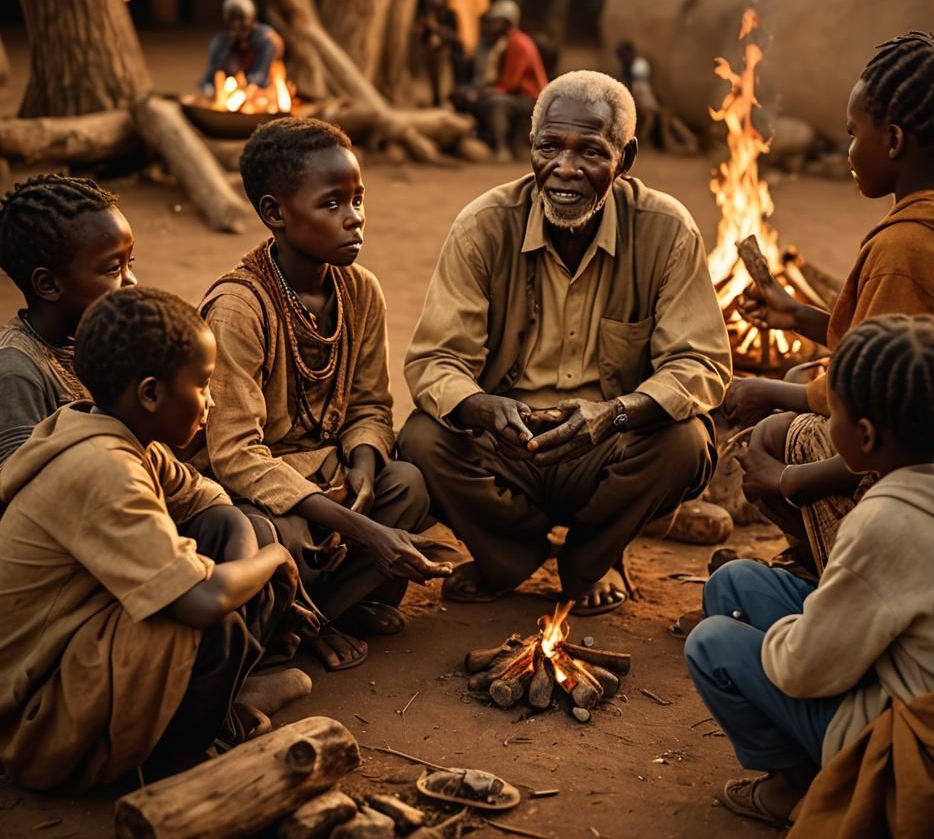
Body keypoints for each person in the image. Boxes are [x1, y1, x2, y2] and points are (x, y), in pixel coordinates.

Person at [400, 70, 731, 615]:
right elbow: (435, 360)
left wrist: (616, 414)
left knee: (686, 444)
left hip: (608, 441)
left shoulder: (666, 229)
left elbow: (700, 363)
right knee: (421, 440)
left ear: (626, 157)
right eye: (549, 147)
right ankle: (511, 555)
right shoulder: (483, 225)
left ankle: (591, 559)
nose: (565, 170)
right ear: (531, 147)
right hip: (508, 443)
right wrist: (483, 406)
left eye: (592, 153)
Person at [685, 314, 934, 829]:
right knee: (734, 583)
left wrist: (786, 633)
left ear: (864, 436)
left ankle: (797, 788)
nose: (824, 421)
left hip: (925, 755)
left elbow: (804, 667)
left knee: (712, 642)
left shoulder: (884, 521)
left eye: (831, 410)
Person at [726, 31, 934, 574]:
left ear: (891, 141)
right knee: (798, 380)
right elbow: (886, 347)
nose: (847, 150)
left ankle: (840, 570)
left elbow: (883, 396)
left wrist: (776, 452)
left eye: (852, 133)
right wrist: (796, 316)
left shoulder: (906, 249)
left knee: (768, 434)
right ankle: (817, 551)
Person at [0, 288, 305, 792]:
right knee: (219, 617)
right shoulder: (104, 467)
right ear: (150, 394)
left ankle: (219, 706)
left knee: (232, 536)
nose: (211, 401)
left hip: (80, 650)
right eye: (204, 385)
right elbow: (203, 601)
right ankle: (175, 763)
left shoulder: (118, 435)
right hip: (38, 721)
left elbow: (211, 504)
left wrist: (249, 575)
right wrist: (270, 562)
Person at [194, 117, 452, 672]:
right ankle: (298, 627)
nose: (354, 218)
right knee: (269, 534)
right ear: (274, 213)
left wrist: (362, 464)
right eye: (332, 204)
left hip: (330, 474)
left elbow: (369, 405)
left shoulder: (360, 289)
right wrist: (361, 528)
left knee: (405, 483)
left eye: (359, 199)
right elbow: (235, 454)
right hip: (259, 490)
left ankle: (326, 613)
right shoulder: (239, 309)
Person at [0, 175, 137, 467]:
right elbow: (21, 485)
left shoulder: (104, 342)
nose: (131, 281)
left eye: (130, 263)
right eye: (114, 269)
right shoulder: (17, 373)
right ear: (48, 285)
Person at [451, 0, 549, 163]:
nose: (492, 26)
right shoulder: (496, 44)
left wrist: (482, 93)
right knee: (461, 94)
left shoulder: (519, 43)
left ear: (508, 23)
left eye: (496, 22)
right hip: (511, 92)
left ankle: (501, 147)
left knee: (496, 102)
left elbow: (510, 83)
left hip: (530, 98)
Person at [201, 0, 285, 92]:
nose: (237, 25)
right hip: (230, 85)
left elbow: (277, 48)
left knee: (267, 43)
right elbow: (214, 72)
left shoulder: (264, 38)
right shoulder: (221, 41)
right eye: (233, 19)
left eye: (241, 19)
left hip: (255, 85)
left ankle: (255, 84)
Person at [417, 0, 463, 107]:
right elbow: (423, 36)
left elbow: (454, 34)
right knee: (431, 78)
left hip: (447, 52)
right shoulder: (428, 14)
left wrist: (437, 29)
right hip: (430, 52)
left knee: (447, 79)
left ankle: (449, 101)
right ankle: (435, 100)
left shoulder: (450, 14)